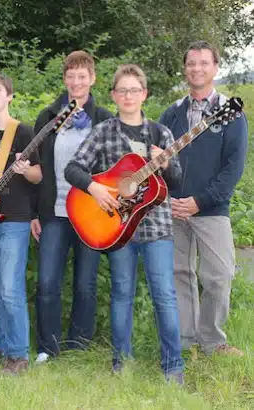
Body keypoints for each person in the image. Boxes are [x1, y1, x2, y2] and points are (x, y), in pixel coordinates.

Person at [64, 64, 185, 383]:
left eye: (135, 90)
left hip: (157, 230)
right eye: (122, 90)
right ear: (114, 95)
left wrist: (168, 164)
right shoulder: (104, 132)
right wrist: (94, 187)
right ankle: (121, 362)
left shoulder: (161, 134)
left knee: (165, 295)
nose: (128, 96)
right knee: (121, 294)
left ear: (144, 94)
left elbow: (176, 182)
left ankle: (173, 366)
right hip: (119, 230)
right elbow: (73, 169)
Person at [159, 41, 248, 357]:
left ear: (215, 67)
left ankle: (213, 341)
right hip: (173, 210)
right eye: (191, 63)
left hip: (211, 209)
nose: (196, 68)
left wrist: (201, 200)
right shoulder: (172, 114)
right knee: (179, 274)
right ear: (185, 68)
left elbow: (232, 167)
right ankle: (186, 341)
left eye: (203, 63)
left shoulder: (230, 112)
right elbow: (156, 160)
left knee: (220, 275)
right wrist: (167, 197)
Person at [31, 51, 112, 363]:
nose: (76, 82)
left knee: (84, 282)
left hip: (91, 214)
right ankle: (47, 347)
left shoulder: (104, 118)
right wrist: (35, 214)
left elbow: (113, 168)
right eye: (71, 75)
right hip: (54, 213)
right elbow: (35, 172)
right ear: (64, 79)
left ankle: (79, 345)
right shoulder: (48, 117)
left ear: (92, 79)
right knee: (47, 281)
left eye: (83, 76)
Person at [0, 71, 41, 374]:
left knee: (11, 289)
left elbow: (38, 176)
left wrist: (25, 169)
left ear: (9, 95)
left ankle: (19, 354)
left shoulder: (24, 133)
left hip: (14, 218)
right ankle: (2, 348)